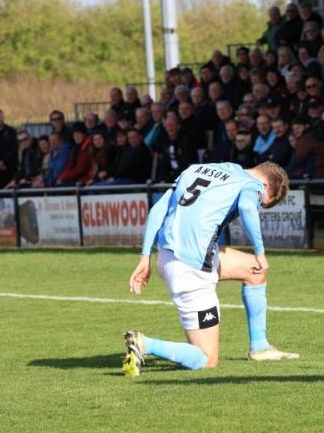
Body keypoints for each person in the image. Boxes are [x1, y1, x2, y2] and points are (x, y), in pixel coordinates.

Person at [123, 161, 298, 376]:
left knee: (255, 270)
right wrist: (261, 252)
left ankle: (260, 347)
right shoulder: (252, 185)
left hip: (169, 254)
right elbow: (245, 207)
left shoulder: (201, 168)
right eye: (262, 201)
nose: (258, 203)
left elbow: (158, 208)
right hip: (191, 268)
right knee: (207, 359)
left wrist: (145, 257)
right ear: (263, 184)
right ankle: (145, 344)